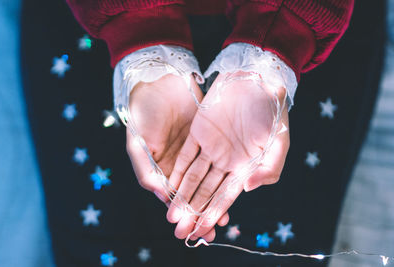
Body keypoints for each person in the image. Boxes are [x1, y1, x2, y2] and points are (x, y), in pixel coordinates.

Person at [21, 0, 385, 266]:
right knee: (104, 249)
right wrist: (140, 33)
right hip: (90, 21)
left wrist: (277, 40)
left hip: (314, 22)